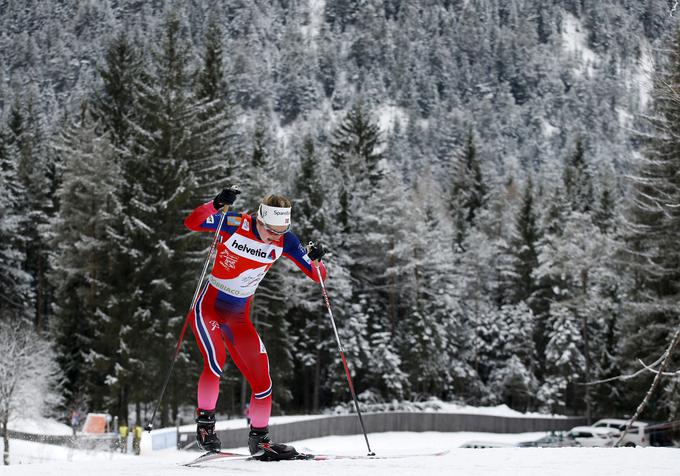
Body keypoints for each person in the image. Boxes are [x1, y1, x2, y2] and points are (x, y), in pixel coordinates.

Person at [184, 186, 327, 461]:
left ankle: (260, 440)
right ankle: (205, 429)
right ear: (259, 219)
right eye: (270, 230)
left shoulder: (286, 240)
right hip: (209, 309)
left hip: (238, 317)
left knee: (263, 381)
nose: (275, 237)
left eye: (280, 232)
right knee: (215, 362)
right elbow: (192, 222)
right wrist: (215, 204)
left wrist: (317, 259)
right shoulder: (236, 223)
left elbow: (317, 275)